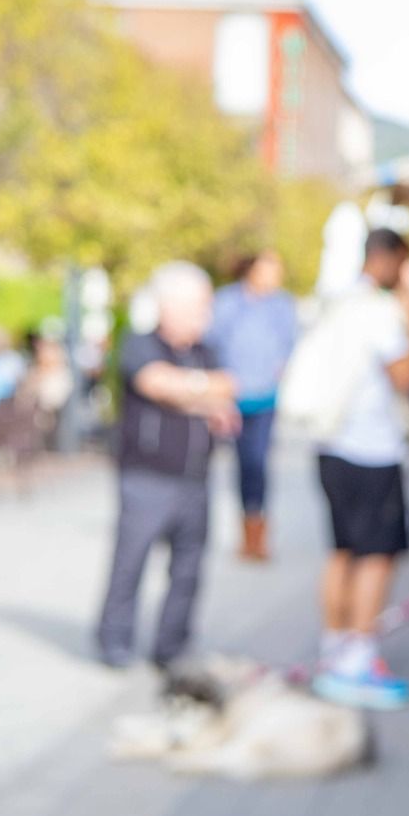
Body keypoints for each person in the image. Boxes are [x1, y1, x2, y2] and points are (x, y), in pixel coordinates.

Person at [94, 262, 239, 672]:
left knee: (189, 569)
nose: (205, 315)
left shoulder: (204, 350)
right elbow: (156, 383)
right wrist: (201, 391)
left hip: (196, 476)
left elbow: (229, 386)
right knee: (131, 561)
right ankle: (114, 640)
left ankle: (171, 646)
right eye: (198, 306)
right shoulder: (140, 343)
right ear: (170, 306)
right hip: (148, 475)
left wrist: (190, 391)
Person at [309, 228, 409, 711]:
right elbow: (405, 378)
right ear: (393, 259)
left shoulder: (337, 302)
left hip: (331, 443)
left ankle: (335, 649)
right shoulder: (380, 310)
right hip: (372, 449)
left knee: (342, 549)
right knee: (376, 554)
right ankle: (358, 658)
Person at [209, 250, 297, 562]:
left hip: (266, 396)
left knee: (258, 464)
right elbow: (213, 342)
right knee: (242, 464)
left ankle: (258, 536)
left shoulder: (282, 305)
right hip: (233, 395)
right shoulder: (228, 302)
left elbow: (291, 344)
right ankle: (245, 532)